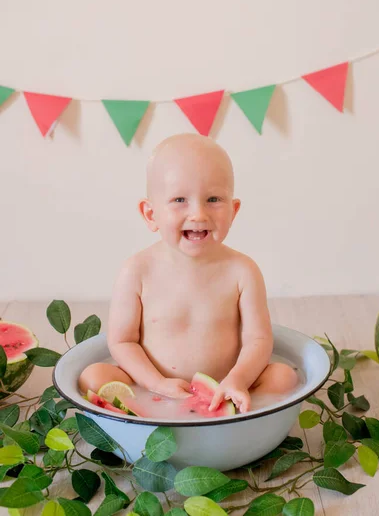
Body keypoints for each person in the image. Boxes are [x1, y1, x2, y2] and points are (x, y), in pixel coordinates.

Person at [80, 133, 297, 414]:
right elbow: (122, 341)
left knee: (283, 376)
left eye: (213, 199)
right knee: (93, 376)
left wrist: (238, 379)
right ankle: (145, 417)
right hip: (151, 386)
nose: (198, 214)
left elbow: (258, 339)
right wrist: (155, 383)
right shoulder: (136, 271)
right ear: (150, 214)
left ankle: (244, 416)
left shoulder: (243, 271)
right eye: (180, 199)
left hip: (225, 387)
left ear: (233, 211)